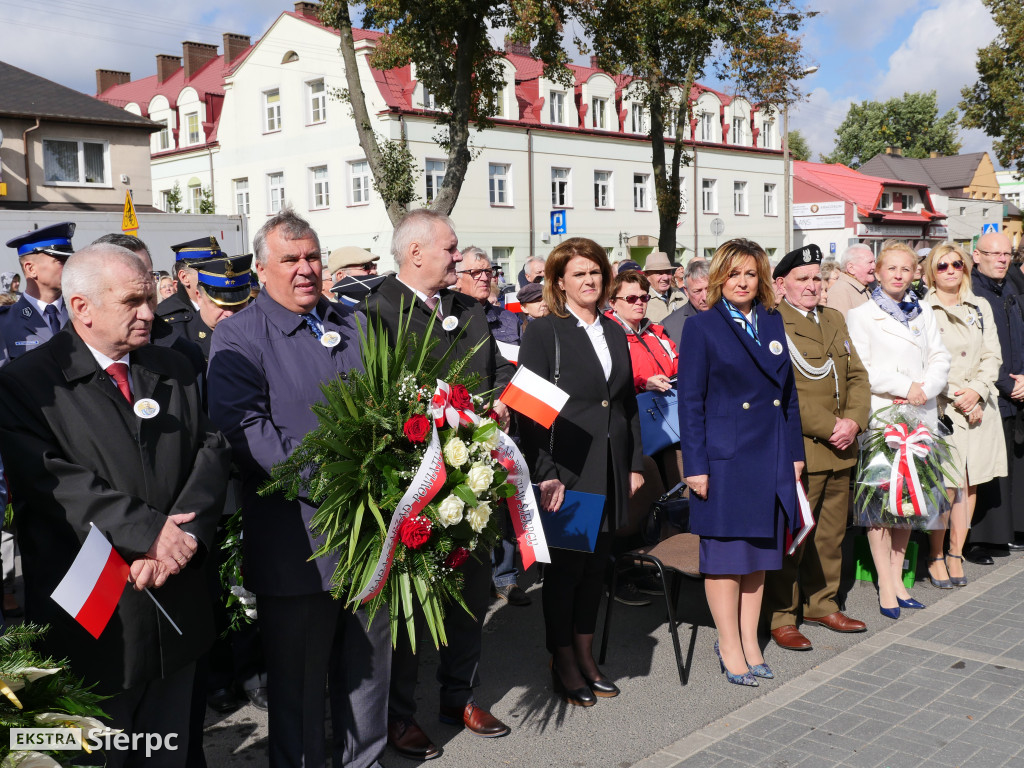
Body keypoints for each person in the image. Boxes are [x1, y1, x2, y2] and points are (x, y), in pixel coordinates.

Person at [0, 243, 231, 767]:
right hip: (96, 612)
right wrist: (149, 533)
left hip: (177, 594)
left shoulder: (175, 364)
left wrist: (180, 540)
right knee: (100, 749)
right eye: (132, 301)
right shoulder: (27, 383)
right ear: (81, 306)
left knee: (171, 747)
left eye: (149, 297)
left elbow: (211, 450)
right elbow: (53, 482)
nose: (149, 312)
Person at [207, 209, 388, 768]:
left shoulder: (355, 322)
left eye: (312, 256)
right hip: (299, 541)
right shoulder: (238, 335)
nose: (305, 269)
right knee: (300, 686)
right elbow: (248, 435)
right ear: (262, 270)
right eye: (290, 260)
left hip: (373, 532)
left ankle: (366, 760)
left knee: (368, 671)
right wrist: (341, 486)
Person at [362, 209, 514, 760]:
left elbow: (498, 371)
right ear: (416, 252)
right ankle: (399, 714)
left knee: (473, 594)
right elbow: (373, 394)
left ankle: (459, 695)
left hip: (474, 474)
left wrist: (495, 404)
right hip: (414, 482)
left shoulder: (468, 309)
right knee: (410, 603)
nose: (459, 256)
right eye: (449, 248)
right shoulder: (376, 310)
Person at [518, 237, 645, 706]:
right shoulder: (545, 332)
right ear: (559, 282)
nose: (589, 280)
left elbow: (626, 402)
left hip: (610, 468)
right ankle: (564, 659)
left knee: (597, 571)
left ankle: (588, 656)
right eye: (579, 274)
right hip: (568, 471)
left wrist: (633, 463)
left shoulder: (614, 329)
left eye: (595, 272)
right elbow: (529, 413)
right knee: (567, 573)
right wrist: (546, 471)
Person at [679, 238, 804, 687]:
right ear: (719, 278)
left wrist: (795, 456)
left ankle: (750, 640)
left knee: (758, 558)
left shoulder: (771, 320)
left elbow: (786, 398)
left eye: (751, 274)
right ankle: (729, 645)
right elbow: (689, 403)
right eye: (734, 274)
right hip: (725, 459)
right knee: (727, 558)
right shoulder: (703, 327)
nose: (743, 282)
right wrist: (696, 466)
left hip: (770, 454)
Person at [763, 245, 870, 653]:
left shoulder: (834, 318)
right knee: (795, 535)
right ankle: (783, 615)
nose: (811, 286)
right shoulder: (773, 323)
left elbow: (857, 376)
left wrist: (854, 421)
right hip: (803, 448)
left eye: (816, 279)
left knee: (830, 535)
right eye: (802, 279)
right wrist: (831, 426)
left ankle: (821, 603)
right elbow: (783, 392)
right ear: (781, 284)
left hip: (842, 445)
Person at [846, 240, 951, 619]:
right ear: (877, 271)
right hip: (886, 417)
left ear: (914, 274)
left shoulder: (923, 310)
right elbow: (862, 368)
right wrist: (906, 387)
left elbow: (940, 354)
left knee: (908, 504)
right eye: (891, 268)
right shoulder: (860, 315)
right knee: (880, 507)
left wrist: (927, 387)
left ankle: (899, 578)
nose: (898, 275)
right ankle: (885, 586)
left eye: (905, 269)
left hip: (920, 417)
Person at [1, 222, 75, 617]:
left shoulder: (82, 316)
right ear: (30, 269)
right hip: (33, 457)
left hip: (82, 448)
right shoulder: (6, 325)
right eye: (59, 259)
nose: (68, 264)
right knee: (45, 562)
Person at [923, 243, 1006, 587]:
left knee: (970, 483)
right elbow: (923, 362)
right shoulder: (922, 309)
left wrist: (979, 392)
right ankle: (935, 554)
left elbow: (993, 355)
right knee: (945, 486)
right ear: (931, 271)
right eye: (942, 266)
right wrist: (959, 395)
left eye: (957, 263)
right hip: (945, 409)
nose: (951, 270)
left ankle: (956, 553)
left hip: (979, 408)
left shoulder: (981, 306)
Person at [454, 246, 530, 607]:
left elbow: (519, 371)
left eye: (490, 271)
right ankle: (471, 578)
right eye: (477, 272)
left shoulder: (510, 321)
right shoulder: (451, 318)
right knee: (470, 501)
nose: (486, 278)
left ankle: (506, 578)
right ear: (459, 276)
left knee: (502, 501)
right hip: (464, 425)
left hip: (505, 421)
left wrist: (505, 400)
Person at [964, 231, 1024, 563]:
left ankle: (1005, 533)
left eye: (1007, 255)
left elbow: (1019, 337)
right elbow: (977, 350)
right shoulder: (972, 292)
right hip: (988, 391)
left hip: (1015, 389)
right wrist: (1004, 382)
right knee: (984, 473)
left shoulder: (1010, 289)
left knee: (1008, 468)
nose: (1002, 260)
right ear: (977, 256)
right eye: (995, 254)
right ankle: (978, 541)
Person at [155, 237, 222, 351]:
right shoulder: (164, 318)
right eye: (207, 272)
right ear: (184, 277)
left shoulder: (236, 305)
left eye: (219, 269)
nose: (216, 276)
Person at [662, 259, 711, 345]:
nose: (705, 297)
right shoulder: (670, 326)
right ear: (686, 292)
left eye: (709, 289)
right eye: (697, 291)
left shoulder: (732, 314)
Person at [827, 244, 876, 317]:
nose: (874, 266)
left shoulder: (865, 287)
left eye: (874, 261)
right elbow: (841, 326)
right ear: (851, 268)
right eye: (870, 262)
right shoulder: (840, 291)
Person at [643, 251, 686, 323]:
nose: (665, 278)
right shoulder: (642, 301)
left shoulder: (681, 295)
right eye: (659, 273)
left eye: (668, 272)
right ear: (647, 276)